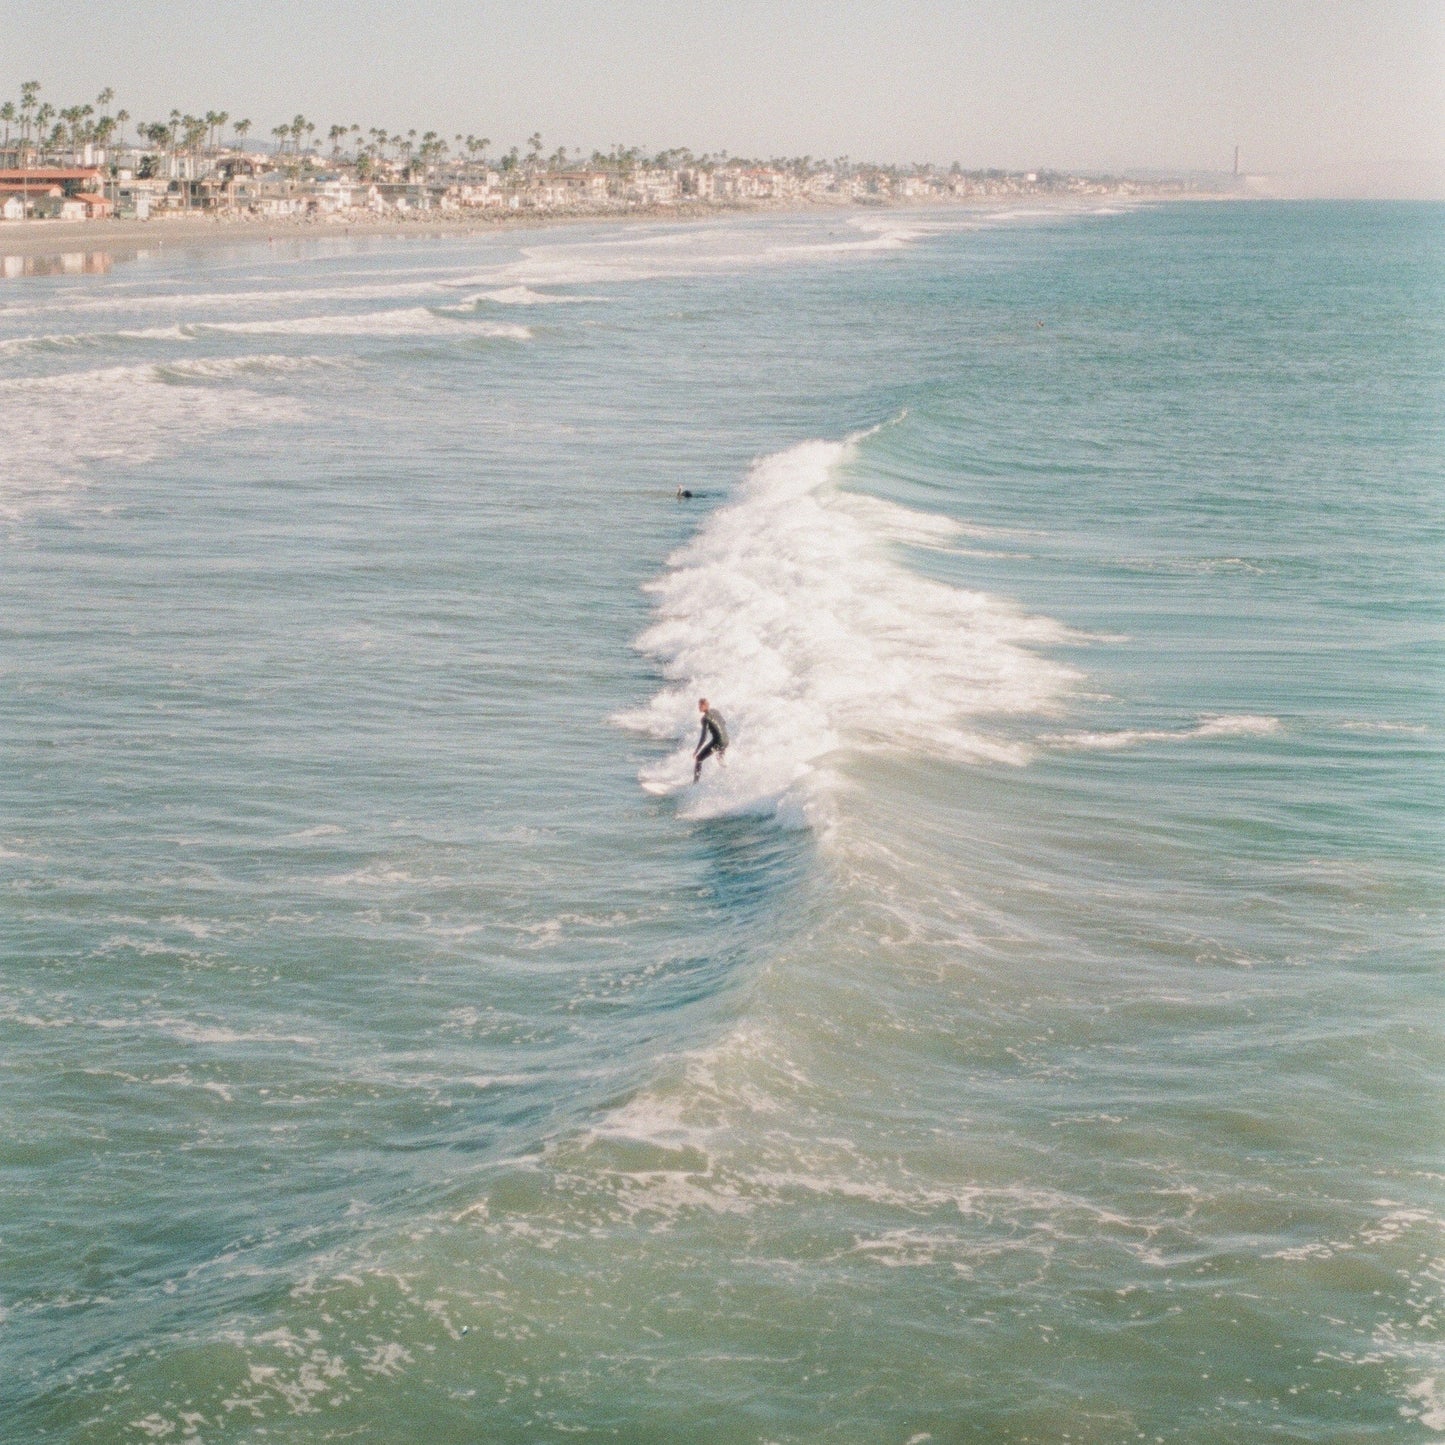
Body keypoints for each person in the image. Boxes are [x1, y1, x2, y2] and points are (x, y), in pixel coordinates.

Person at [693, 697, 728, 782]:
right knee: (720, 760)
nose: (699, 708)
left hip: (718, 742)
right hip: (726, 740)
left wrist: (697, 750)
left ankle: (695, 783)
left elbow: (704, 737)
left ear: (705, 705)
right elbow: (724, 722)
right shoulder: (716, 711)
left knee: (698, 759)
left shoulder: (705, 719)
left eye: (700, 706)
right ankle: (727, 774)